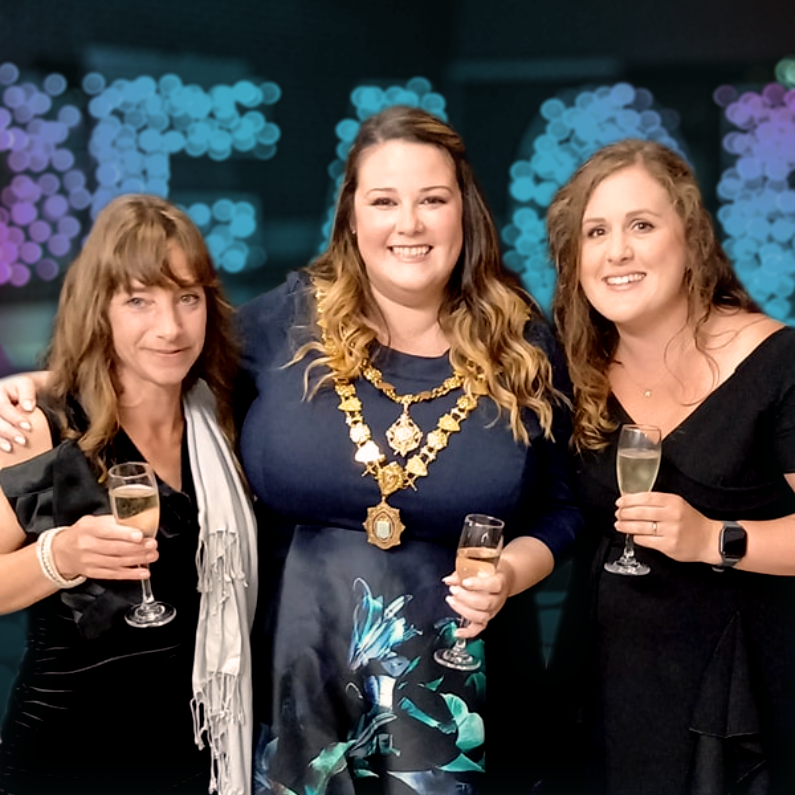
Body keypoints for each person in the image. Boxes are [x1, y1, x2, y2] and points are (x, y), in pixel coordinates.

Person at [0, 106, 581, 795]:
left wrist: (512, 570)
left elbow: (563, 506)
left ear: (466, 211)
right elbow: (165, 352)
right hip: (291, 697)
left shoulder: (523, 343)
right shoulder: (286, 323)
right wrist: (42, 384)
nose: (409, 223)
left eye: (433, 199)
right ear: (351, 217)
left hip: (463, 700)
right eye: (384, 200)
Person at [546, 138, 795, 795]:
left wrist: (712, 537)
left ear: (690, 238)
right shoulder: (572, 373)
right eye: (594, 232)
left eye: (640, 225)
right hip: (605, 690)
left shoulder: (776, 361)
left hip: (740, 700)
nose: (616, 251)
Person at [0, 194, 257, 795]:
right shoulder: (41, 428)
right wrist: (59, 557)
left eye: (186, 298)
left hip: (198, 754)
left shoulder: (223, 418)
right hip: (66, 757)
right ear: (101, 309)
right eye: (139, 300)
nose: (169, 327)